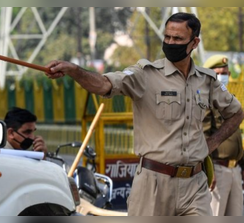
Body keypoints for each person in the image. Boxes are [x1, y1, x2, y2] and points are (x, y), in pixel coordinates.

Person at [45, 12, 244, 216]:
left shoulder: (206, 80)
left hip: (195, 185)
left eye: (177, 39)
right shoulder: (145, 74)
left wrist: (212, 144)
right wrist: (74, 71)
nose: (170, 42)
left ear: (194, 43)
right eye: (167, 37)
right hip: (154, 184)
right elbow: (104, 84)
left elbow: (236, 113)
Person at [202, 55, 244, 216]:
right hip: (218, 169)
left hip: (235, 169)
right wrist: (209, 169)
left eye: (225, 72)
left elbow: (236, 136)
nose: (223, 76)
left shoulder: (229, 99)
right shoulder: (206, 100)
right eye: (218, 72)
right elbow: (204, 137)